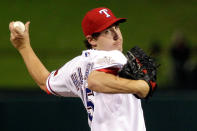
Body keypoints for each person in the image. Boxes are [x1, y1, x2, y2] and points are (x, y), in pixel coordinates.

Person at [9, 7, 149, 131]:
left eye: (116, 27)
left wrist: (23, 47)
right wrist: (139, 86)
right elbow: (95, 80)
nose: (116, 35)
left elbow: (44, 81)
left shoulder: (78, 65)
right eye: (107, 31)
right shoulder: (116, 57)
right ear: (92, 40)